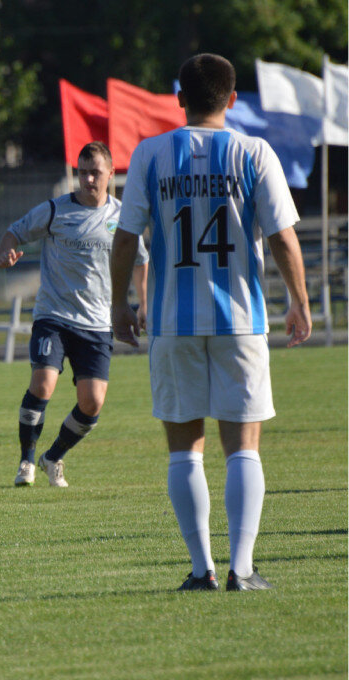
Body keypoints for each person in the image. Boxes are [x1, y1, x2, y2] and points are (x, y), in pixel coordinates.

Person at [110, 54, 311, 592]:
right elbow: (283, 236)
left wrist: (118, 305)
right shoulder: (253, 152)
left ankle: (200, 570)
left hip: (173, 322)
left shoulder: (151, 154)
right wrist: (300, 301)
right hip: (240, 321)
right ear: (232, 99)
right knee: (243, 446)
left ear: (180, 98)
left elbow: (126, 238)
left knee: (184, 449)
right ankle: (241, 569)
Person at [0, 142, 148, 488]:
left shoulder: (124, 217)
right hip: (54, 316)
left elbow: (141, 261)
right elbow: (14, 231)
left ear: (111, 174)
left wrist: (144, 303)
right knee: (43, 382)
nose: (88, 178)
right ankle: (26, 462)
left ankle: (53, 457)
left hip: (97, 323)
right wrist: (6, 252)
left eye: (95, 172)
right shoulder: (54, 211)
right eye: (83, 172)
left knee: (92, 403)